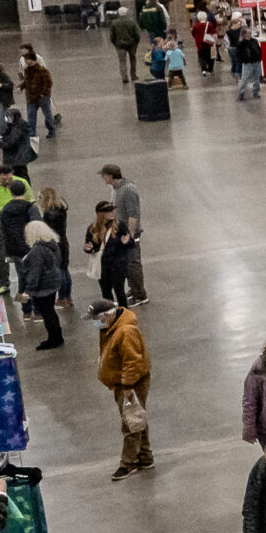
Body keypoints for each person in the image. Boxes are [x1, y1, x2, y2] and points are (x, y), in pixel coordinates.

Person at [93, 298, 155, 481]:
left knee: (131, 423)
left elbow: (132, 361)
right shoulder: (109, 328)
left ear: (107, 315)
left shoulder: (126, 331)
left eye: (96, 318)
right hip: (123, 383)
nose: (95, 322)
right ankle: (145, 457)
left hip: (130, 384)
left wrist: (128, 386)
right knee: (137, 419)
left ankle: (128, 463)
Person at [102, 164, 146, 302]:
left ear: (110, 176)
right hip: (122, 232)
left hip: (129, 234)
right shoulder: (116, 189)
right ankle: (133, 289)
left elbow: (133, 214)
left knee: (133, 264)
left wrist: (131, 235)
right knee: (126, 263)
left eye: (104, 175)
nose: (103, 178)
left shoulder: (128, 190)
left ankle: (139, 295)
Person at [22, 222, 66, 349]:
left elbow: (35, 272)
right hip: (52, 284)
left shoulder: (37, 250)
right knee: (50, 312)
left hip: (42, 287)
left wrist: (28, 290)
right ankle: (56, 337)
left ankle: (54, 340)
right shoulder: (52, 245)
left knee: (47, 313)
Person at [0, 178, 36, 294]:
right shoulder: (30, 208)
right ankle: (37, 306)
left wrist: (9, 252)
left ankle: (25, 308)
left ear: (11, 192)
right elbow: (37, 226)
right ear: (24, 191)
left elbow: (4, 232)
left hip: (15, 249)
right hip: (31, 247)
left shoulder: (5, 210)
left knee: (21, 277)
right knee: (34, 276)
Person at [21, 48, 59, 138]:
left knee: (47, 115)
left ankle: (51, 130)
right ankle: (32, 133)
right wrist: (21, 87)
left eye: (27, 59)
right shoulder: (27, 71)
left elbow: (48, 82)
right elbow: (26, 81)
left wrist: (43, 93)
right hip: (31, 97)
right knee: (31, 116)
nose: (25, 61)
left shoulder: (42, 71)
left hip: (42, 97)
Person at [0, 103, 36, 180]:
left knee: (21, 176)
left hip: (17, 158)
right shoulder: (16, 125)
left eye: (9, 117)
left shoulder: (18, 127)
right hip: (19, 158)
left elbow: (11, 142)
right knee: (21, 175)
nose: (7, 119)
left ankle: (24, 189)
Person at [109, 4, 141, 82]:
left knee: (122, 61)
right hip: (132, 44)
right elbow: (137, 33)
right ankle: (133, 75)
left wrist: (114, 43)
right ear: (126, 13)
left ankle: (124, 77)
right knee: (133, 59)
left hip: (120, 45)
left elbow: (112, 35)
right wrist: (136, 41)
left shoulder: (114, 22)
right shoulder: (132, 21)